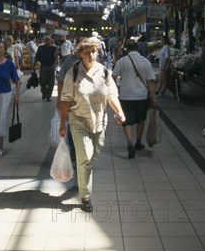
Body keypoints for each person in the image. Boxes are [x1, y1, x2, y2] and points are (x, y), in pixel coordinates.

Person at [59, 37, 125, 213]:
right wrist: (62, 124)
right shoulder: (72, 73)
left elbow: (111, 94)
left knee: (93, 157)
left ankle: (84, 180)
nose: (91, 54)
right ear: (80, 53)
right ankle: (85, 197)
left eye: (94, 51)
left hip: (99, 122)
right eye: (87, 51)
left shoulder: (104, 72)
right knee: (85, 158)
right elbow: (65, 100)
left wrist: (119, 111)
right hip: (78, 120)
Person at [112, 38, 157, 158]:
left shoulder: (122, 61)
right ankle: (138, 142)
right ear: (137, 48)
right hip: (142, 96)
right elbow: (150, 81)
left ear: (126, 49)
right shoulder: (145, 61)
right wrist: (153, 96)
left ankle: (129, 143)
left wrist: (117, 88)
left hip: (125, 96)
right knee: (140, 120)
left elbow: (113, 76)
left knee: (126, 121)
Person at [35, 35, 59, 101]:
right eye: (46, 40)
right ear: (44, 41)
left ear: (51, 40)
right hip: (43, 66)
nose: (48, 41)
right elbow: (37, 56)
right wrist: (35, 65)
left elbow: (56, 57)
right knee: (42, 82)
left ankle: (48, 96)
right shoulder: (40, 47)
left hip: (51, 66)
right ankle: (44, 93)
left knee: (51, 82)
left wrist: (57, 49)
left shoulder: (53, 48)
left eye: (49, 40)